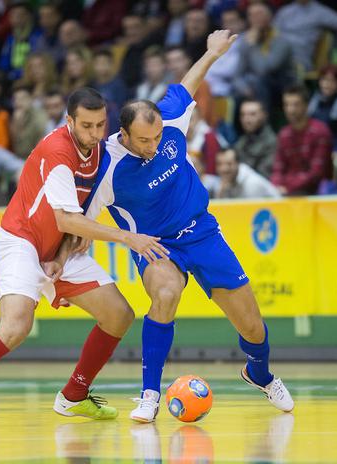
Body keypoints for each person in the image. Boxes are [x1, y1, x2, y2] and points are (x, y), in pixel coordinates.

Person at [0, 88, 168, 430]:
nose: (95, 134)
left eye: (100, 125)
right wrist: (129, 239)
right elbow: (67, 219)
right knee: (16, 327)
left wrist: (64, 253)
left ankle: (74, 395)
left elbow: (75, 220)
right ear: (69, 121)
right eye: (87, 126)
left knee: (119, 315)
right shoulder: (57, 152)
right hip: (22, 242)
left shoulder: (100, 147)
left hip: (57, 247)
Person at [85, 30, 294, 424]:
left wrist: (212, 52)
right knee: (165, 292)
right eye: (143, 140)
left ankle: (260, 374)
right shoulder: (107, 168)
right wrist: (67, 249)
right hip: (156, 245)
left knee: (251, 325)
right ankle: (149, 394)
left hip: (202, 232)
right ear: (123, 134)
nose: (152, 145)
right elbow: (80, 217)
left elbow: (187, 83)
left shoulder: (171, 122)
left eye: (157, 136)